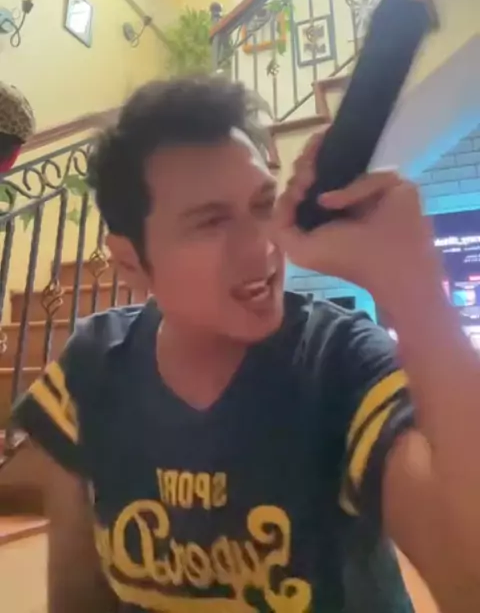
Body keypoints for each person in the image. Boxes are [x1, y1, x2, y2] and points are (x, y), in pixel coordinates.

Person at [12, 76, 480, 613]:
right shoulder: (92, 367)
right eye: (210, 223)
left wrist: (416, 293)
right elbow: (77, 600)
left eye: (263, 204)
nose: (262, 250)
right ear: (130, 262)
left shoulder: (339, 363)